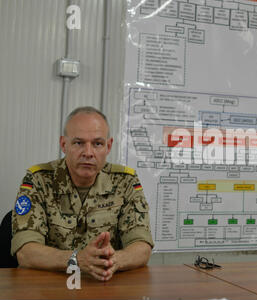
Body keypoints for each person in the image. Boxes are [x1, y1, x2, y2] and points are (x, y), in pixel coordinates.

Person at [11, 106, 154, 281]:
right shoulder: (38, 180)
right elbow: (26, 252)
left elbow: (142, 247)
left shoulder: (125, 181)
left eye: (97, 144)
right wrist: (76, 259)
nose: (88, 153)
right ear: (64, 144)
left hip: (105, 286)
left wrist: (115, 260)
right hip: (49, 285)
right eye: (79, 143)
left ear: (108, 146)